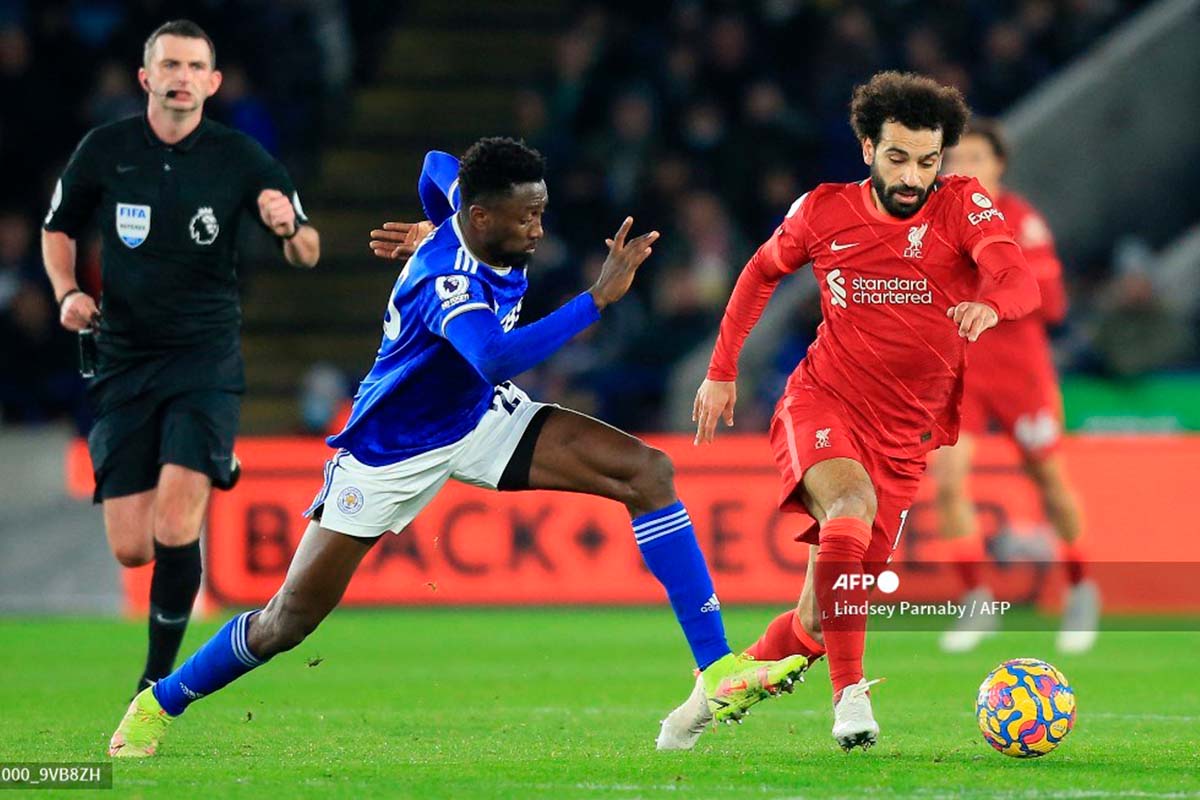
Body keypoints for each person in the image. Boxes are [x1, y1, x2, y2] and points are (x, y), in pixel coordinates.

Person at [108, 139, 807, 758]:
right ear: (483, 220)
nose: (538, 226)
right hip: (391, 453)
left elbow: (436, 165)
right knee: (286, 621)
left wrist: (435, 220)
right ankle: (159, 702)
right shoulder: (452, 285)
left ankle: (716, 668)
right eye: (526, 216)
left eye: (540, 210)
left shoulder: (463, 213)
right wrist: (595, 300)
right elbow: (496, 356)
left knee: (647, 471)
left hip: (474, 421)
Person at [660, 71, 1041, 752]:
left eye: (927, 161)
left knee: (815, 620)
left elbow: (1015, 273)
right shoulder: (824, 210)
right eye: (897, 157)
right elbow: (759, 273)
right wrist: (721, 371)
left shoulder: (963, 205)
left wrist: (992, 303)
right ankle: (850, 698)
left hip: (905, 435)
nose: (912, 176)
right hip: (823, 401)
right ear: (868, 146)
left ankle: (709, 696)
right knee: (848, 510)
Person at [42, 19, 320, 698]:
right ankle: (208, 461)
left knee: (176, 521)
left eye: (195, 66)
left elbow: (307, 250)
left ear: (213, 82)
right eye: (169, 64)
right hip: (124, 361)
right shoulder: (106, 150)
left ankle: (156, 683)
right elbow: (58, 229)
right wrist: (68, 291)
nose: (182, 76)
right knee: (133, 546)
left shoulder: (241, 158)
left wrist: (287, 225)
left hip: (205, 359)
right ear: (146, 77)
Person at [933, 120, 1098, 655]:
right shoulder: (933, 222)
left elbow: (1050, 304)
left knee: (1048, 479)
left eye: (976, 158)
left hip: (1019, 371)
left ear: (999, 164)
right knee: (949, 483)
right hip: (961, 370)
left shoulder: (1022, 223)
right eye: (955, 159)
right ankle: (975, 601)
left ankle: (1080, 589)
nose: (965, 169)